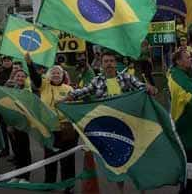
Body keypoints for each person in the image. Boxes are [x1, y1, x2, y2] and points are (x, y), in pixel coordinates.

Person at [66, 51, 155, 194]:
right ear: (101, 64)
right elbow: (84, 91)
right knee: (118, 162)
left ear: (115, 63)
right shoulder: (97, 81)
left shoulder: (126, 77)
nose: (109, 64)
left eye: (111, 61)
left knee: (136, 159)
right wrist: (69, 96)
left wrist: (149, 88)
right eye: (106, 61)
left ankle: (141, 189)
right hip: (111, 130)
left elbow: (141, 87)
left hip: (129, 126)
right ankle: (121, 191)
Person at [26, 53, 76, 193]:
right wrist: (30, 64)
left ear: (62, 75)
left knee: (67, 159)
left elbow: (75, 106)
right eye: (53, 73)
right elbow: (35, 77)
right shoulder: (44, 85)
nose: (55, 75)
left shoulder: (69, 89)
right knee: (50, 157)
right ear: (49, 75)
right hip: (49, 129)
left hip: (66, 129)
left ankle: (68, 185)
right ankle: (49, 183)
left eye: (58, 73)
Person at [170, 50, 192, 194]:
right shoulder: (177, 77)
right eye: (187, 57)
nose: (191, 59)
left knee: (191, 162)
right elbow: (189, 99)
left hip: (188, 126)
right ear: (178, 61)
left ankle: (186, 189)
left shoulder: (183, 75)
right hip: (184, 127)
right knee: (190, 163)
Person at [5, 68, 32, 182]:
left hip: (24, 124)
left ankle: (25, 176)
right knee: (17, 151)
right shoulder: (11, 90)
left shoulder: (27, 91)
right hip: (13, 124)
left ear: (25, 79)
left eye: (22, 76)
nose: (20, 78)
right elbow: (8, 109)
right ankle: (18, 174)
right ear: (14, 78)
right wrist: (9, 124)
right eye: (18, 76)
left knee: (24, 150)